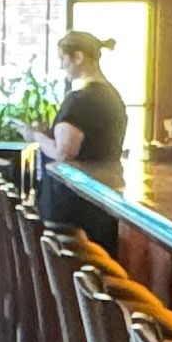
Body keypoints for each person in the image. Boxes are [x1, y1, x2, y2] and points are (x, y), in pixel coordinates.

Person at [33, 27, 131, 236]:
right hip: (105, 194)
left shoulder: (80, 100)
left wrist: (37, 137)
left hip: (73, 205)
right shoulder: (113, 97)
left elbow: (64, 153)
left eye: (63, 58)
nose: (61, 65)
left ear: (78, 57)